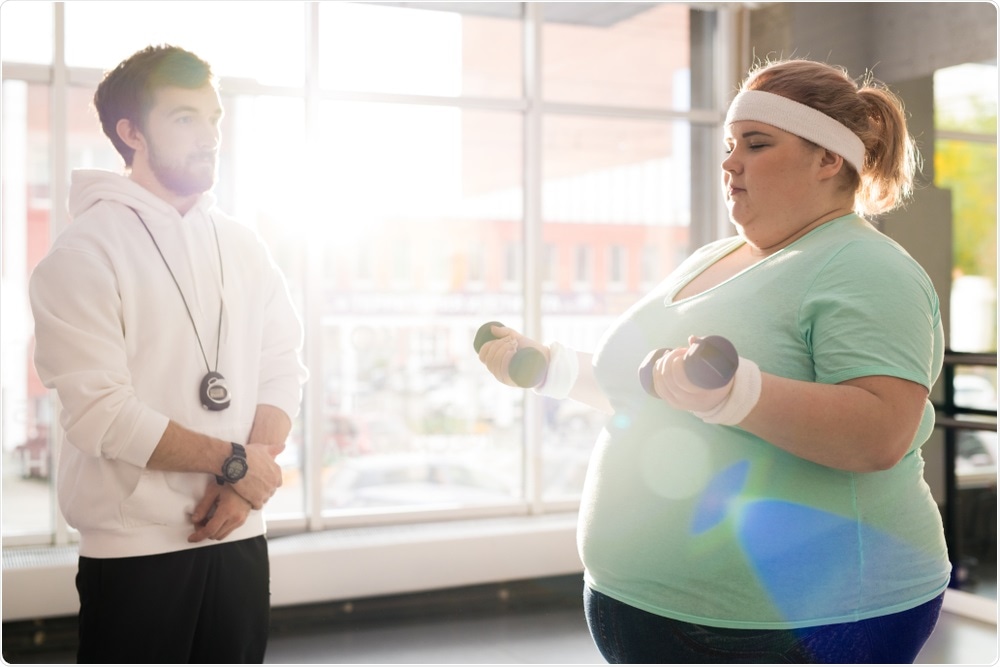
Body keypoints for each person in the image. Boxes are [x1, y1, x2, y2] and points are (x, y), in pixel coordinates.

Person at [477, 58, 950, 664]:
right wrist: (550, 367)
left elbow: (880, 431)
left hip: (809, 620)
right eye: (730, 146)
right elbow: (649, 389)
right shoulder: (713, 257)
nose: (730, 164)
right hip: (645, 608)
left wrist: (733, 394)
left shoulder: (867, 268)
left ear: (829, 158)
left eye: (756, 145)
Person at [28, 45, 308, 663]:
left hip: (240, 535)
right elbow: (101, 414)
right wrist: (239, 466)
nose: (209, 135)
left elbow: (283, 367)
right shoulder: (83, 254)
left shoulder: (244, 245)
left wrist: (242, 487)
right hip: (135, 553)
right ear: (130, 133)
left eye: (213, 118)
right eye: (185, 118)